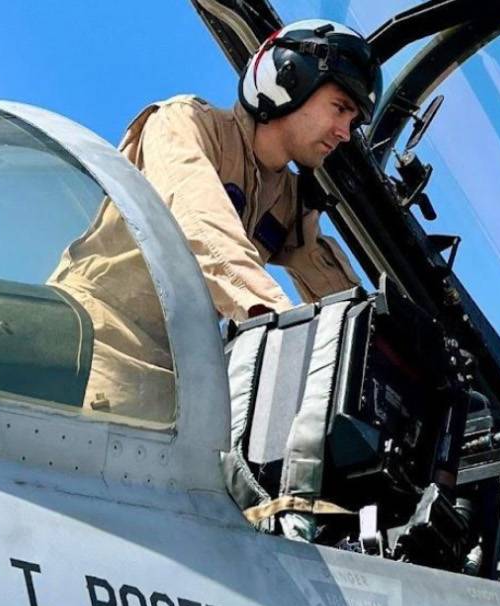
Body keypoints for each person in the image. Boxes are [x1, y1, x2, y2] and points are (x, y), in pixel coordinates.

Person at [48, 19, 379, 415]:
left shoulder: (290, 202)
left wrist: (375, 356)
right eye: (340, 108)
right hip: (93, 348)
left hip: (176, 383)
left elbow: (336, 293)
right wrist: (280, 324)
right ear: (290, 80)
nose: (345, 131)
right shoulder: (183, 124)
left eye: (353, 119)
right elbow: (201, 226)